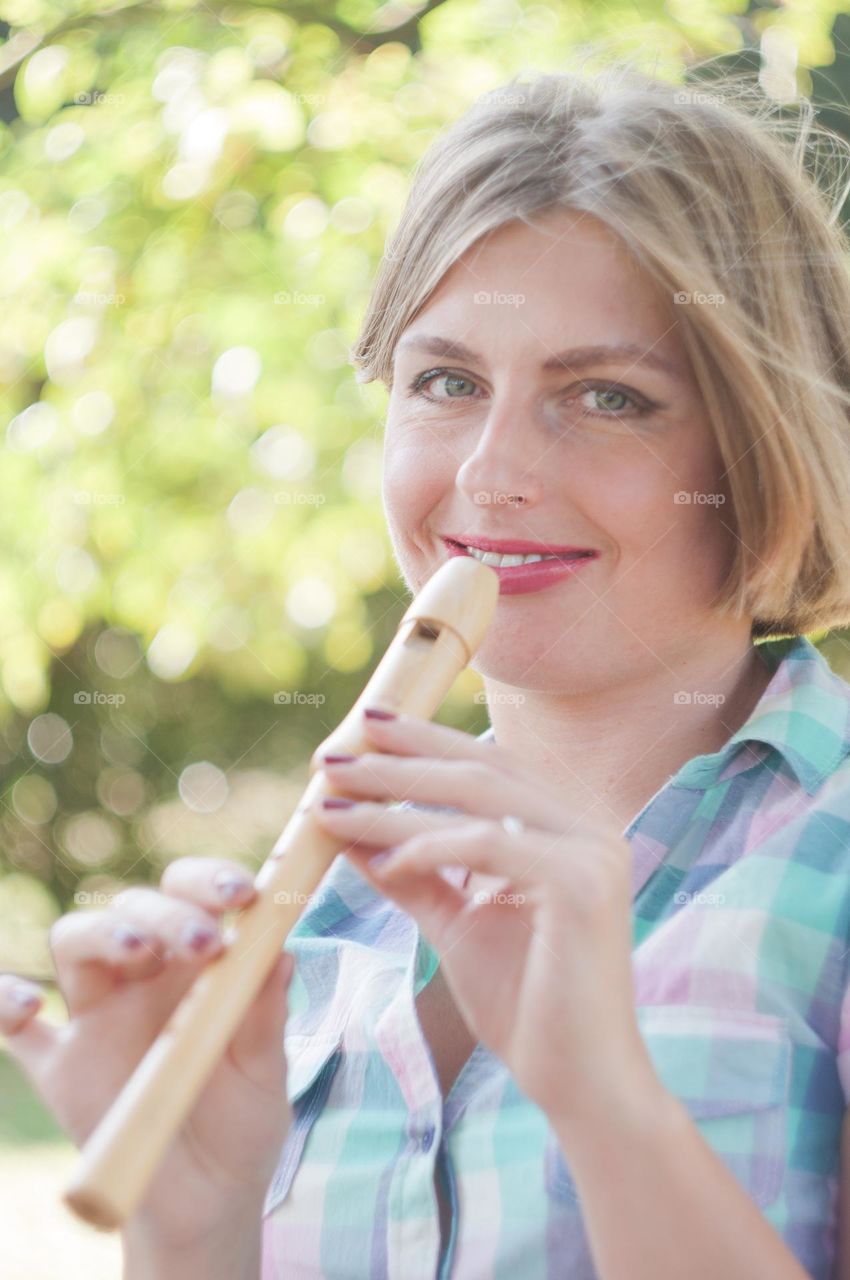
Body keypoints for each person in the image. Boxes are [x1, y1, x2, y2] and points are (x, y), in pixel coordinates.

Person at [4, 56, 850, 1280]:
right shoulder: (319, 920)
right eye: (445, 381)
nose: (491, 472)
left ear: (760, 441)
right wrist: (190, 1233)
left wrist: (607, 1102)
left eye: (607, 396)